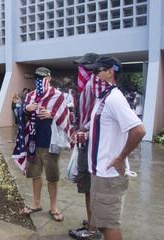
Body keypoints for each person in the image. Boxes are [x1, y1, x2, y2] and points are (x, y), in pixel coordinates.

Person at [85, 56, 145, 240]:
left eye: (97, 71)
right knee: (103, 224)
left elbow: (139, 130)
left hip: (109, 175)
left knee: (108, 226)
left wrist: (120, 157)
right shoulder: (103, 98)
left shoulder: (114, 99)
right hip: (99, 172)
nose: (93, 75)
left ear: (110, 71)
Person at [13, 67, 74, 222]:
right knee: (35, 175)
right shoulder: (30, 96)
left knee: (52, 177)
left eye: (42, 77)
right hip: (33, 142)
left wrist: (52, 114)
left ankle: (54, 207)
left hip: (50, 143)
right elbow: (21, 117)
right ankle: (35, 203)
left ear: (49, 78)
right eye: (36, 77)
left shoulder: (57, 95)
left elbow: (66, 116)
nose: (39, 80)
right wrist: (26, 108)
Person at [70, 53, 102, 239]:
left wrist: (80, 131)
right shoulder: (91, 86)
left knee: (88, 185)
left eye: (85, 67)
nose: (82, 71)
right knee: (89, 185)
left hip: (89, 142)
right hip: (87, 139)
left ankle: (92, 229)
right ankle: (93, 221)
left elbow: (92, 118)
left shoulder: (93, 86)